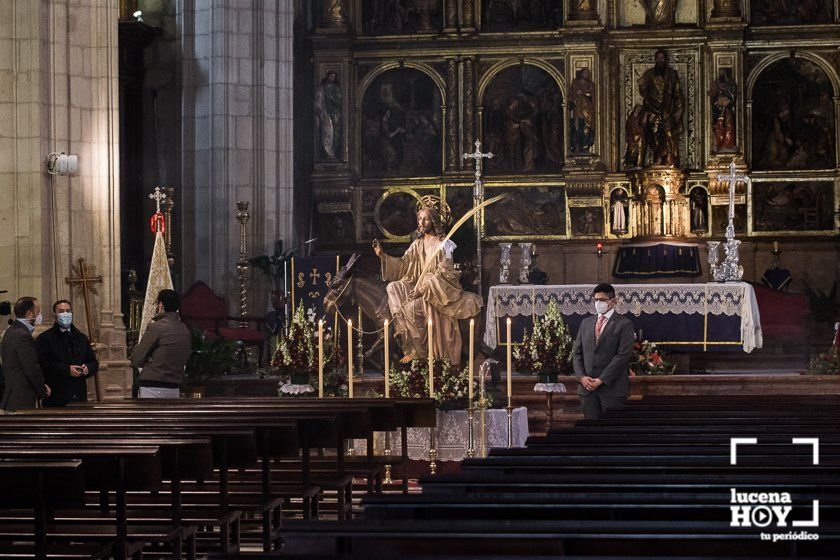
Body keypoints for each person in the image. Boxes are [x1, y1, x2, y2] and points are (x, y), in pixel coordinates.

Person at [373, 200, 482, 366]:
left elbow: (446, 272)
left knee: (414, 303)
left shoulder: (445, 246)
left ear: (433, 222)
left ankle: (421, 351)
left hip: (436, 289)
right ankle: (405, 337)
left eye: (425, 219)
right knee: (393, 287)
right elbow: (403, 265)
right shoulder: (417, 245)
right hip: (416, 285)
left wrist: (423, 289)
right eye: (419, 219)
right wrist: (383, 256)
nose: (421, 223)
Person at [572, 284, 635, 420]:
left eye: (602, 300)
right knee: (591, 434)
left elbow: (623, 356)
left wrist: (601, 380)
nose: (598, 303)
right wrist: (582, 377)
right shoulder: (586, 323)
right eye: (595, 300)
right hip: (587, 389)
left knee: (611, 433)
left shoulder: (624, 324)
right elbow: (577, 353)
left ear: (613, 301)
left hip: (612, 388)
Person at [35, 299, 99, 407]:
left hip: (79, 395)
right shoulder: (45, 338)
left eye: (68, 311)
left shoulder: (81, 338)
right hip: (57, 395)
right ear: (54, 315)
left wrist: (88, 368)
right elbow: (42, 365)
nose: (65, 314)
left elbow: (94, 362)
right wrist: (67, 369)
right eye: (61, 311)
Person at [131, 289, 191, 398]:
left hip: (153, 388)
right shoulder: (184, 329)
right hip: (174, 388)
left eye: (157, 303)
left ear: (161, 305)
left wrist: (150, 359)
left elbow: (136, 358)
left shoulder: (157, 327)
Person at [1, 297, 51, 411]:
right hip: (21, 399)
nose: (39, 315)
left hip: (13, 397)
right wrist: (42, 390)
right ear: (29, 314)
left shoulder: (11, 330)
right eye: (38, 311)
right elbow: (31, 368)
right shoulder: (22, 335)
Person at [638, 49, 684, 167]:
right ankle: (657, 159)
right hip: (652, 108)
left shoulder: (672, 74)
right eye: (658, 58)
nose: (660, 61)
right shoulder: (649, 74)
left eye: (662, 58)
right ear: (655, 59)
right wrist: (642, 84)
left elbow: (677, 93)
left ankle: (668, 159)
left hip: (668, 110)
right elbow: (643, 92)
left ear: (665, 59)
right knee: (654, 136)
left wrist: (679, 109)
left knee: (668, 135)